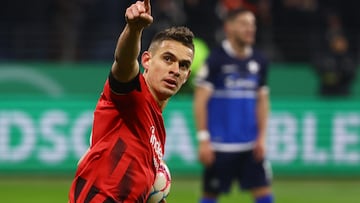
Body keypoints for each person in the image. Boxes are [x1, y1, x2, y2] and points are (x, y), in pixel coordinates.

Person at [67, 0, 195, 202]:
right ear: (146, 60)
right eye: (168, 59)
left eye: (183, 65)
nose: (175, 70)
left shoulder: (157, 130)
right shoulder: (133, 95)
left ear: (186, 76)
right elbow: (124, 62)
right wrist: (134, 29)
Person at [193, 8, 274, 203]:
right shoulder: (216, 60)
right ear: (229, 27)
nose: (250, 29)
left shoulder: (259, 61)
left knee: (264, 194)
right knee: (210, 195)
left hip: (250, 146)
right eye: (244, 24)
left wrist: (262, 138)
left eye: (252, 24)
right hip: (220, 146)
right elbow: (200, 100)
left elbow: (262, 101)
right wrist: (204, 139)